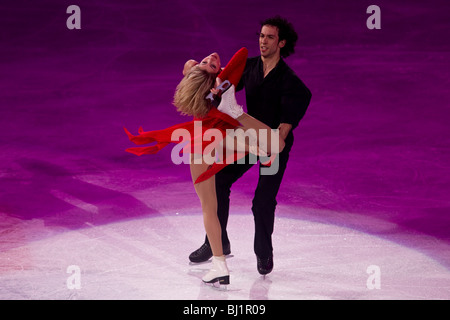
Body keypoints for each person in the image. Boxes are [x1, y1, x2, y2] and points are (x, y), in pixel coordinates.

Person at [125, 47, 285, 285]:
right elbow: (240, 55)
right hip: (221, 134)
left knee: (209, 207)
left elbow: (195, 64)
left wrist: (202, 69)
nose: (211, 57)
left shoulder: (215, 83)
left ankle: (220, 264)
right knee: (274, 144)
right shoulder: (222, 82)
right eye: (209, 63)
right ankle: (248, 138)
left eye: (209, 61)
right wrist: (214, 76)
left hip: (205, 140)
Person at [189, 16, 312, 276]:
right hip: (247, 140)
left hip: (272, 147)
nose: (263, 41)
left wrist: (268, 144)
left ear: (281, 43)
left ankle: (264, 252)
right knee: (219, 181)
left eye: (269, 37)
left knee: (262, 201)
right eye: (261, 35)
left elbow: (282, 133)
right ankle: (216, 242)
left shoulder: (292, 84)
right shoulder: (249, 67)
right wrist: (200, 84)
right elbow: (220, 88)